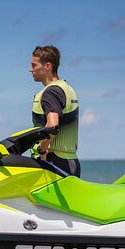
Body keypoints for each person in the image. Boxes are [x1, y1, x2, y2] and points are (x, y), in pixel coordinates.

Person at [29, 45, 81, 177]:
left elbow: (52, 126)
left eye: (34, 65)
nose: (30, 69)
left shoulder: (50, 92)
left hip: (54, 162)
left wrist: (42, 150)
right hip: (71, 161)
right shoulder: (66, 88)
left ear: (47, 66)